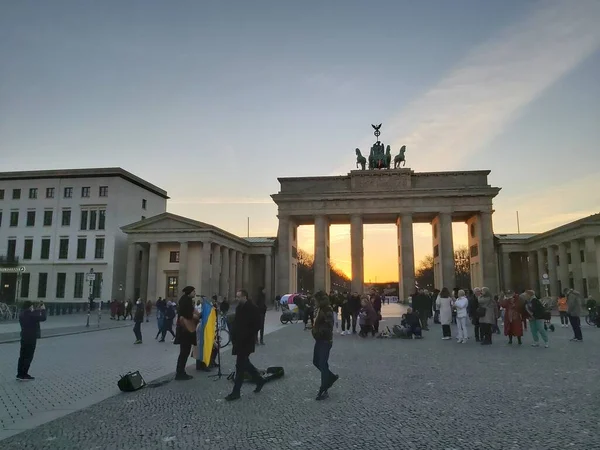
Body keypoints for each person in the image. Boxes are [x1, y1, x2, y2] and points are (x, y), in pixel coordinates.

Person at [226, 289, 265, 401]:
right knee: (245, 364)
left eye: (239, 297)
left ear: (245, 297)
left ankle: (236, 392)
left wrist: (249, 334)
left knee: (240, 366)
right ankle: (259, 380)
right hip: (239, 340)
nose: (237, 299)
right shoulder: (239, 308)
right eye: (237, 297)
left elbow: (258, 324)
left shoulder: (253, 308)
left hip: (246, 341)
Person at [312, 291, 338, 401]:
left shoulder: (327, 309)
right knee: (316, 362)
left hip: (325, 340)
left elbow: (329, 325)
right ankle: (330, 377)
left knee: (322, 364)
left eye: (316, 300)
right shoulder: (320, 309)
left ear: (320, 300)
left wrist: (319, 332)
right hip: (320, 340)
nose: (314, 302)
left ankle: (323, 389)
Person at [17, 301, 47, 381]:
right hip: (31, 338)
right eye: (32, 306)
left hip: (24, 337)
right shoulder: (31, 315)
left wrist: (36, 309)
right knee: (28, 356)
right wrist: (43, 309)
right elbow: (43, 318)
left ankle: (19, 374)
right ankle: (24, 374)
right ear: (30, 307)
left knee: (22, 356)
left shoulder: (22, 314)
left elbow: (33, 314)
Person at [175, 286, 200, 380]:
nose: (195, 293)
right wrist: (196, 316)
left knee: (184, 352)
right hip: (186, 331)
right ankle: (180, 373)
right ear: (189, 292)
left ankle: (180, 371)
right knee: (184, 352)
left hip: (184, 330)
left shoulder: (184, 300)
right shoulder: (187, 301)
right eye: (194, 291)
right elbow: (188, 314)